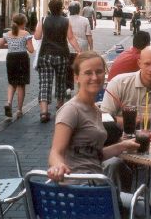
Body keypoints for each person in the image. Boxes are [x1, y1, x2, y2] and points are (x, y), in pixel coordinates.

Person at [47, 51, 140, 183]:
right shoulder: (71, 110)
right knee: (143, 201)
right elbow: (56, 152)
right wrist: (58, 165)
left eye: (99, 72)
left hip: (95, 184)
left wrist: (123, 146)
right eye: (88, 73)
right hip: (77, 188)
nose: (95, 77)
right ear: (76, 77)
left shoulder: (96, 109)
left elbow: (94, 155)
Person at [100, 46, 151, 126]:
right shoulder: (119, 83)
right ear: (139, 64)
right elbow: (103, 118)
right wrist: (133, 121)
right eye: (147, 64)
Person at [35, 0, 82, 123]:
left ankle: (44, 112)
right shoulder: (66, 21)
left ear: (49, 8)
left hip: (45, 55)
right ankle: (60, 108)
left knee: (45, 83)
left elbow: (37, 36)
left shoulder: (43, 20)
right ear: (61, 8)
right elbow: (71, 38)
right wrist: (79, 50)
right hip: (62, 55)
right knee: (61, 81)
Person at [0, 13, 34, 119]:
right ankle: (19, 110)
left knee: (11, 82)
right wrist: (24, 46)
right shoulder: (26, 33)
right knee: (21, 85)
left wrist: (10, 45)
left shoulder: (8, 33)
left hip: (11, 57)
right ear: (23, 23)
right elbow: (31, 50)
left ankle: (8, 102)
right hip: (22, 58)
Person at [67, 2, 93, 90]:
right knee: (82, 68)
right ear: (79, 10)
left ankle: (69, 89)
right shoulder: (85, 20)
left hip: (69, 47)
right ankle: (81, 87)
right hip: (83, 48)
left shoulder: (66, 20)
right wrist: (91, 48)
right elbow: (89, 35)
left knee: (69, 68)